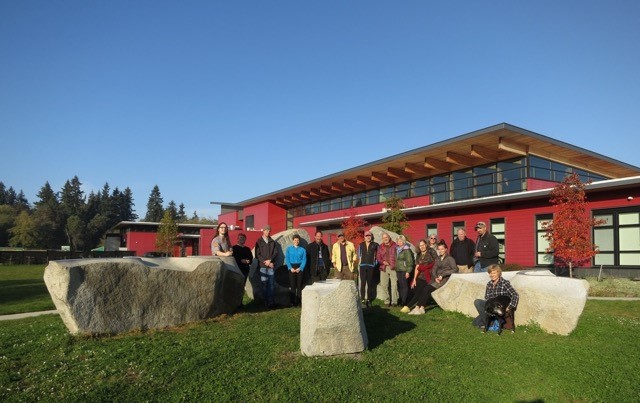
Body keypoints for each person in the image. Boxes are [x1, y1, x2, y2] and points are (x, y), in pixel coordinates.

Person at [407, 241, 458, 315]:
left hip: (444, 279)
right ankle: (418, 307)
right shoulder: (438, 259)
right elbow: (434, 269)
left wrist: (443, 275)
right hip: (436, 278)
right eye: (439, 249)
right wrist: (436, 277)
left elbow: (455, 269)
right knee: (424, 289)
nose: (440, 251)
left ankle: (421, 308)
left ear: (446, 249)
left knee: (427, 289)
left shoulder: (450, 259)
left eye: (442, 249)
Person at [402, 239, 437, 313]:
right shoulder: (418, 255)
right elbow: (417, 267)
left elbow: (437, 262)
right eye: (420, 245)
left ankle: (410, 306)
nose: (422, 247)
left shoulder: (431, 251)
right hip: (421, 276)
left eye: (423, 245)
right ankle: (417, 306)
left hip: (430, 275)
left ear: (426, 245)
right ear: (419, 247)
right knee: (416, 290)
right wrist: (414, 279)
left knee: (421, 290)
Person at [482, 264, 519, 331]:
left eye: (494, 273)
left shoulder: (504, 283)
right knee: (478, 302)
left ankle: (491, 322)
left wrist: (510, 306)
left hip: (500, 308)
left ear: (499, 273)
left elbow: (515, 294)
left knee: (477, 322)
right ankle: (491, 321)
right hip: (492, 307)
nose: (492, 275)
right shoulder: (489, 284)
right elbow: (487, 297)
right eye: (490, 273)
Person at [255, 225, 278, 308]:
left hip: (271, 266)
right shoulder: (259, 241)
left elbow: (275, 253)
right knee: (264, 284)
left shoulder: (272, 241)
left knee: (271, 285)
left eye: (269, 231)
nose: (268, 232)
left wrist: (270, 260)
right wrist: (265, 262)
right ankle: (265, 302)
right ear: (263, 231)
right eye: (267, 230)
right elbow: (257, 254)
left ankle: (271, 301)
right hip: (263, 266)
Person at [285, 234, 307, 307]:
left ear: (299, 241)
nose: (296, 241)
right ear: (293, 240)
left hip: (299, 268)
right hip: (291, 267)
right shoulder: (289, 249)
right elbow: (287, 259)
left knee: (299, 286)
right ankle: (292, 302)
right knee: (293, 286)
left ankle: (299, 302)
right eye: (295, 240)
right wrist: (290, 268)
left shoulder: (302, 250)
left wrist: (300, 268)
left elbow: (304, 260)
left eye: (297, 240)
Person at [358, 230, 378, 308]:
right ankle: (362, 299)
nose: (368, 237)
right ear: (364, 237)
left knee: (370, 284)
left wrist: (375, 263)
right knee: (363, 283)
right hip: (362, 266)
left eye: (369, 236)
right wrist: (359, 264)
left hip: (371, 266)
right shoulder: (361, 245)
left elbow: (378, 255)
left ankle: (369, 300)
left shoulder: (375, 245)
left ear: (371, 237)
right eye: (366, 236)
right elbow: (359, 255)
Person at [376, 232, 398, 306]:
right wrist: (383, 262)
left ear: (389, 238)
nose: (385, 239)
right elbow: (378, 257)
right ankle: (387, 301)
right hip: (383, 267)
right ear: (382, 239)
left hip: (393, 267)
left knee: (394, 285)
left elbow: (398, 256)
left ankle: (394, 301)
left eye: (386, 237)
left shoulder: (395, 245)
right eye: (384, 238)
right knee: (384, 285)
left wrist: (395, 264)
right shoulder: (380, 246)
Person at [395, 235, 414, 310]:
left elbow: (410, 261)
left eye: (401, 241)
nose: (399, 242)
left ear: (404, 241)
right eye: (398, 241)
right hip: (398, 270)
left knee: (405, 285)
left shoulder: (407, 250)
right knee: (400, 285)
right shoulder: (398, 249)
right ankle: (401, 299)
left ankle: (404, 301)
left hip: (404, 270)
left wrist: (408, 271)